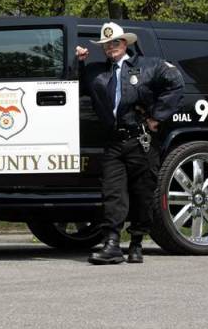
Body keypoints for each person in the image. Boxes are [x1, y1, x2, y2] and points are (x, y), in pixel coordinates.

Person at [76, 22, 184, 264]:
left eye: (114, 42)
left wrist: (157, 116)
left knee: (142, 194)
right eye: (105, 44)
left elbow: (176, 83)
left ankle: (136, 242)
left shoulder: (148, 65)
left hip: (141, 141)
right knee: (113, 194)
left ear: (125, 43)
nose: (110, 48)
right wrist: (79, 62)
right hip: (113, 142)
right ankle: (112, 243)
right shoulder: (96, 72)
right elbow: (73, 86)